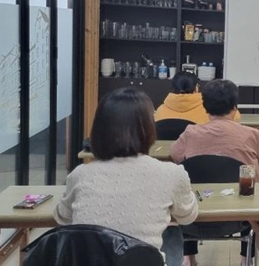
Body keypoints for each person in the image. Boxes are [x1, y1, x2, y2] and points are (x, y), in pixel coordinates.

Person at [54, 88, 198, 266]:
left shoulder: (81, 174)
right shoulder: (171, 173)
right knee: (172, 234)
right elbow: (187, 216)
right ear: (149, 129)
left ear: (99, 130)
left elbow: (62, 216)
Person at [170, 79, 259, 266]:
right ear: (235, 108)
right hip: (243, 217)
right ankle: (246, 258)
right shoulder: (251, 134)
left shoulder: (190, 133)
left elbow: (175, 156)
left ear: (205, 108)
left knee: (190, 190)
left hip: (196, 215)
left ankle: (189, 259)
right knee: (249, 194)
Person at [154, 71, 240, 125]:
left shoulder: (159, 111)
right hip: (201, 152)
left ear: (173, 88)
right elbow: (233, 117)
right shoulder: (211, 110)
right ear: (196, 88)